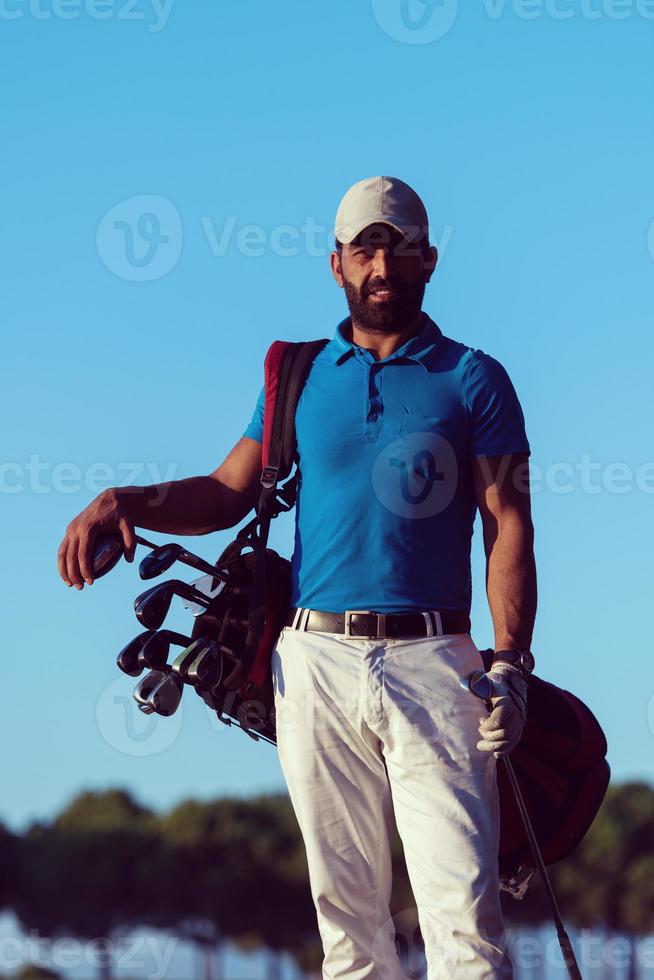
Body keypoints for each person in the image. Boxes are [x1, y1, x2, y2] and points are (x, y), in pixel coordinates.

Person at [58, 175, 536, 979]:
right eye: (366, 248)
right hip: (314, 663)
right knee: (347, 931)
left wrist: (511, 663)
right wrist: (123, 500)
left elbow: (508, 525)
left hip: (437, 661)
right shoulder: (301, 377)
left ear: (430, 259)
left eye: (400, 247)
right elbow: (227, 490)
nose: (383, 265)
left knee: (463, 924)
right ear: (337, 263)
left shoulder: (474, 379)